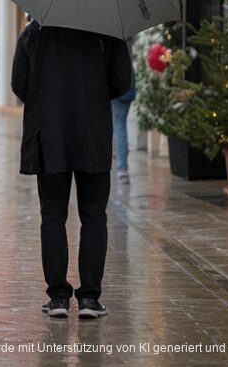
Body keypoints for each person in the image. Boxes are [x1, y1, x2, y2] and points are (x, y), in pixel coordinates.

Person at [12, 20, 132, 320]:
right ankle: (89, 299)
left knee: (52, 215)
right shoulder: (107, 32)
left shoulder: (34, 32)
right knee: (93, 215)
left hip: (50, 134)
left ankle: (58, 299)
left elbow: (19, 84)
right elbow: (122, 83)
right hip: (92, 133)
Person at [111, 73, 137, 183]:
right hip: (127, 86)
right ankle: (123, 169)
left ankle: (120, 166)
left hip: (114, 86)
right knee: (120, 124)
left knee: (116, 124)